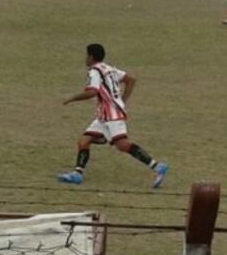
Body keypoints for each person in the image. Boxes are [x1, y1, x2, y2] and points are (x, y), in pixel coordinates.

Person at [57, 44, 169, 188]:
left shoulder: (94, 72)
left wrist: (71, 98)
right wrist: (122, 100)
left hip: (112, 116)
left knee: (123, 145)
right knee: (83, 141)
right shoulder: (110, 68)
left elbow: (92, 92)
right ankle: (78, 174)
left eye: (86, 55)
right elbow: (131, 79)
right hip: (104, 115)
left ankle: (157, 166)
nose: (85, 58)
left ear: (91, 57)